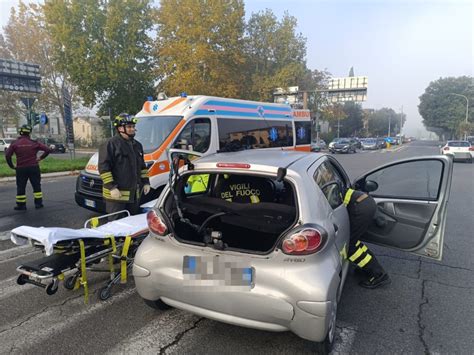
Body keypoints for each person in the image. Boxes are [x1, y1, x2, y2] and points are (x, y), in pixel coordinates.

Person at [98, 113, 151, 220]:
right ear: (120, 128)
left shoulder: (137, 145)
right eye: (129, 127)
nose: (132, 129)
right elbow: (104, 168)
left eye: (133, 127)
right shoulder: (110, 144)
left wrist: (146, 182)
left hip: (133, 196)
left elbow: (142, 166)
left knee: (131, 223)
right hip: (116, 197)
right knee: (116, 225)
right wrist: (112, 187)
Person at [343, 187, 391, 289]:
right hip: (365, 201)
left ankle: (379, 275)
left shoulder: (319, 189)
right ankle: (368, 268)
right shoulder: (332, 181)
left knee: (349, 248)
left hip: (360, 208)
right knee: (354, 242)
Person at [5, 124, 51, 210]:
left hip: (21, 168)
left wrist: (11, 166)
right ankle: (38, 203)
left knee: (21, 186)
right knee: (36, 185)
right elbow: (48, 150)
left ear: (21, 132)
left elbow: (7, 155)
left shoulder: (15, 143)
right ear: (29, 132)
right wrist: (40, 158)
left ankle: (21, 205)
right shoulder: (34, 143)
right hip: (34, 167)